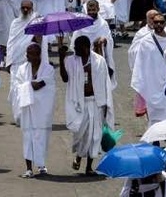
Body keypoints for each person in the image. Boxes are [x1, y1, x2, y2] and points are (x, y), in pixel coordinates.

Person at [61, 35, 113, 175]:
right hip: (79, 103)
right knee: (81, 134)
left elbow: (105, 83)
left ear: (85, 47)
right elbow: (65, 78)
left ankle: (89, 167)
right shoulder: (71, 60)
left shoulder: (98, 61)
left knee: (95, 135)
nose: (75, 50)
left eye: (77, 48)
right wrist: (61, 58)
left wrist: (106, 105)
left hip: (96, 102)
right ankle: (78, 156)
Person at [13, 43, 56, 178]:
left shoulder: (48, 69)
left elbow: (45, 86)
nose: (27, 56)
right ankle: (29, 168)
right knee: (28, 137)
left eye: (30, 54)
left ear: (38, 55)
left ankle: (42, 165)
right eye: (27, 53)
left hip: (42, 110)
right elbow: (18, 87)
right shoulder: (21, 69)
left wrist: (31, 85)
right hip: (28, 109)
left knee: (41, 137)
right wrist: (30, 85)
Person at [130, 13, 166, 125]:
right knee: (154, 118)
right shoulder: (145, 41)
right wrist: (142, 82)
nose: (158, 25)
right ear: (151, 23)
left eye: (161, 22)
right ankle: (154, 141)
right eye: (156, 22)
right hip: (152, 84)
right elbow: (140, 63)